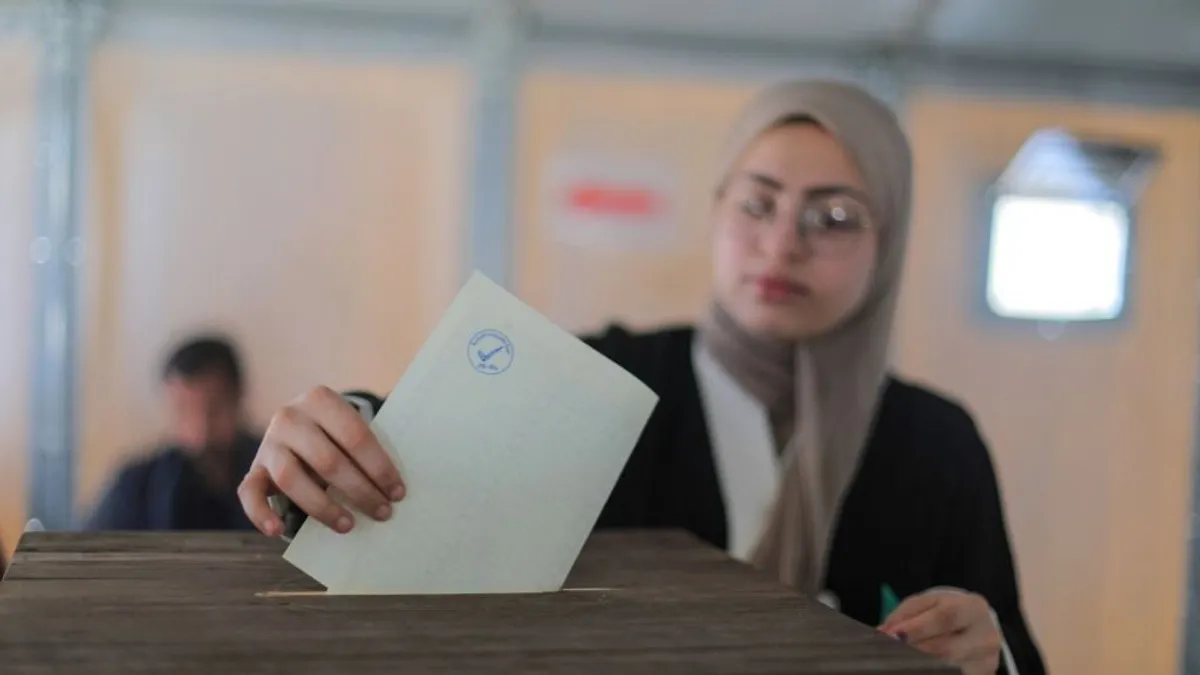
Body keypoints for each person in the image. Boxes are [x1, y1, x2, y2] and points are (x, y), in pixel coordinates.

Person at [237, 80, 1045, 675]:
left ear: (888, 245)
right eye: (757, 204)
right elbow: (422, 449)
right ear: (717, 211)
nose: (781, 244)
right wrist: (334, 436)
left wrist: (988, 652)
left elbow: (1007, 644)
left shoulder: (935, 443)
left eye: (833, 217)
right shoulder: (600, 379)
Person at [86, 335, 261, 531]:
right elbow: (90, 546)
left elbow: (295, 549)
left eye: (215, 410)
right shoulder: (137, 484)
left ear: (237, 398)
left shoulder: (273, 474)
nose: (201, 430)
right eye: (184, 411)